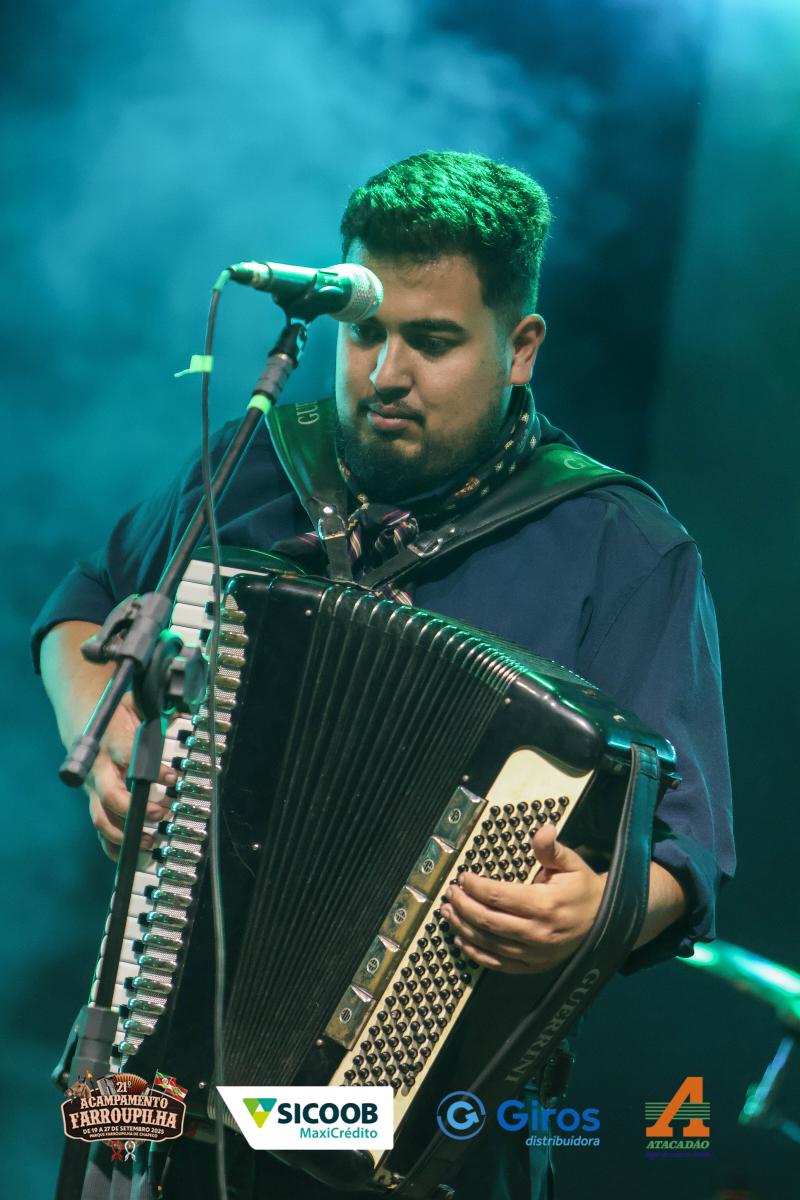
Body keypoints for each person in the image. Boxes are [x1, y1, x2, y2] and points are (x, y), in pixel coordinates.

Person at [34, 151, 735, 1200]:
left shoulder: (620, 546)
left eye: (433, 342)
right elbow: (84, 601)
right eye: (364, 333)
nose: (384, 374)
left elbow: (688, 851)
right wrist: (105, 734)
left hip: (422, 1121)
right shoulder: (255, 462)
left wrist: (596, 910)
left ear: (521, 348)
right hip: (166, 1075)